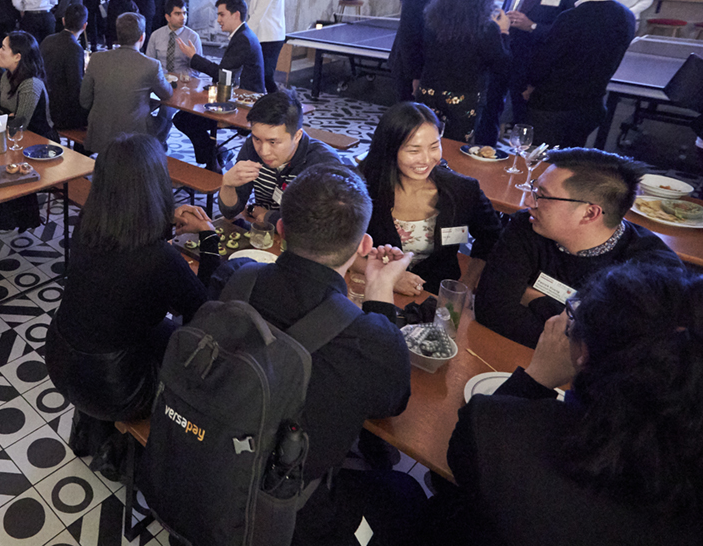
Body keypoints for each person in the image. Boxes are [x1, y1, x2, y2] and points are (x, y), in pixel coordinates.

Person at [438, 262, 703, 546]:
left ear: (584, 354)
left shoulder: (494, 429)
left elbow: (461, 459)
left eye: (574, 316)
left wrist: (536, 377)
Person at [245, 165, 423, 546]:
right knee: (405, 492)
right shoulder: (367, 338)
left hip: (210, 462)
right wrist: (379, 288)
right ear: (363, 246)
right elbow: (392, 403)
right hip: (288, 514)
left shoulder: (234, 278)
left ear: (281, 230)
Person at [46, 133, 217, 428]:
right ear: (157, 186)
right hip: (117, 390)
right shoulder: (160, 258)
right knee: (196, 346)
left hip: (59, 358)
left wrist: (163, 222)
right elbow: (204, 310)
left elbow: (126, 252)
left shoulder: (88, 224)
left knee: (155, 327)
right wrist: (209, 235)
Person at [475, 148, 682, 348]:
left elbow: (619, 352)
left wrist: (533, 298)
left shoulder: (652, 270)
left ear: (590, 213)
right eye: (534, 188)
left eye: (543, 195)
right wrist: (579, 321)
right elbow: (492, 311)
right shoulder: (528, 225)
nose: (529, 201)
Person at [357, 102, 501, 293]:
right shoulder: (362, 187)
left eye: (434, 147)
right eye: (413, 150)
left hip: (434, 297)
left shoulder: (462, 189)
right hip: (371, 287)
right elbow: (338, 246)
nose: (426, 159)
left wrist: (466, 282)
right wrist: (389, 277)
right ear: (390, 149)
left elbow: (492, 237)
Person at [476, 0, 581, 147]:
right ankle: (485, 155)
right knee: (488, 110)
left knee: (525, 122)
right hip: (503, 51)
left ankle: (520, 171)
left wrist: (531, 26)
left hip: (533, 63)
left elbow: (564, 33)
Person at [523, 0, 636, 148]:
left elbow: (546, 60)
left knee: (539, 164)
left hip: (553, 106)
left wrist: (530, 86)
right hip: (590, 105)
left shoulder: (572, 17)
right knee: (570, 163)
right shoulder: (626, 16)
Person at [417, 0, 511, 142]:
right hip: (463, 97)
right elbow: (502, 65)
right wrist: (504, 33)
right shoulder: (486, 27)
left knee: (426, 141)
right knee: (456, 147)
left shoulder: (432, 18)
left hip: (429, 90)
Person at [218, 90, 340, 225]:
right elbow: (230, 212)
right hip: (264, 231)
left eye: (273, 142)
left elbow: (322, 226)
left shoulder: (323, 164)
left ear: (297, 136)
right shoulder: (251, 147)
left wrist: (268, 217)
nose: (263, 152)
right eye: (257, 139)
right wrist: (228, 185)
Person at [174, 0, 266, 172]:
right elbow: (226, 73)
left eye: (221, 15)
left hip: (245, 107)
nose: (218, 20)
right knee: (186, 118)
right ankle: (215, 155)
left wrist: (194, 57)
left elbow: (222, 73)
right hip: (239, 99)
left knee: (183, 119)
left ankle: (213, 161)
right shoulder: (243, 35)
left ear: (236, 14)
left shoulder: (243, 39)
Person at [80, 12, 173, 153]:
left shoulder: (97, 59)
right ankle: (156, 151)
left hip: (100, 133)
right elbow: (166, 95)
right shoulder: (151, 65)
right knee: (167, 112)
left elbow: (84, 101)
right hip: (135, 136)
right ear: (142, 37)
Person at [0, 31, 54, 140]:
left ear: (17, 57)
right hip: (11, 137)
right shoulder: (6, 76)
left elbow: (19, 126)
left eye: (3, 48)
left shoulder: (31, 84)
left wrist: (4, 116)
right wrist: (9, 116)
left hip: (39, 142)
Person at [40, 3, 89, 132]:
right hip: (61, 112)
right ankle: (83, 149)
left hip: (43, 103)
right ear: (84, 26)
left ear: (63, 20)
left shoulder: (47, 40)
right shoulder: (75, 48)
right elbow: (76, 86)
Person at [248, 0, 287, 93]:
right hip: (268, 37)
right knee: (262, 76)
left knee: (266, 76)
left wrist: (241, 34)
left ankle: (280, 106)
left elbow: (258, 15)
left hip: (270, 38)